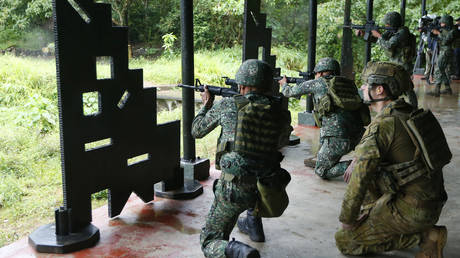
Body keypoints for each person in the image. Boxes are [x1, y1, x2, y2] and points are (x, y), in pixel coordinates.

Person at [336, 61, 449, 257]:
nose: (362, 87)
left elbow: (358, 182)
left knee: (345, 240)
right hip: (431, 201)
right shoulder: (407, 112)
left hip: (414, 211)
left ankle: (426, 236)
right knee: (366, 167)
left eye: (366, 84)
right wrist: (358, 159)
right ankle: (387, 219)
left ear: (379, 90)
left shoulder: (383, 125)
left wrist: (347, 220)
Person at [193, 59, 291, 258]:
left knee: (209, 240)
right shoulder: (280, 112)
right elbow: (280, 141)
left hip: (234, 188)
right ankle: (254, 227)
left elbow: (197, 130)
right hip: (266, 187)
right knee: (255, 175)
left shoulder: (229, 105)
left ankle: (237, 251)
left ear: (242, 85)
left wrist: (206, 105)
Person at [279, 57, 366, 179]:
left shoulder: (318, 83)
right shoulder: (349, 84)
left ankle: (356, 165)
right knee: (324, 128)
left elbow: (289, 92)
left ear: (320, 72)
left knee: (321, 171)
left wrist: (284, 84)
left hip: (337, 140)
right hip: (357, 137)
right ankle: (322, 156)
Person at [360, 11, 418, 107]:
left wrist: (378, 35)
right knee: (394, 87)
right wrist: (365, 34)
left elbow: (388, 46)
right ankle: (396, 106)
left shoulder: (402, 32)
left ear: (393, 23)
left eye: (387, 24)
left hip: (403, 65)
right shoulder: (393, 31)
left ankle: (414, 108)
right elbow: (380, 41)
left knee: (407, 88)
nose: (386, 26)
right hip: (396, 64)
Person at [430, 14, 458, 96]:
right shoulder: (448, 30)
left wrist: (438, 33)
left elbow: (445, 41)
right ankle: (447, 89)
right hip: (445, 51)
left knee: (438, 69)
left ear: (447, 23)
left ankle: (436, 90)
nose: (441, 25)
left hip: (447, 51)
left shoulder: (453, 31)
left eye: (442, 23)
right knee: (442, 70)